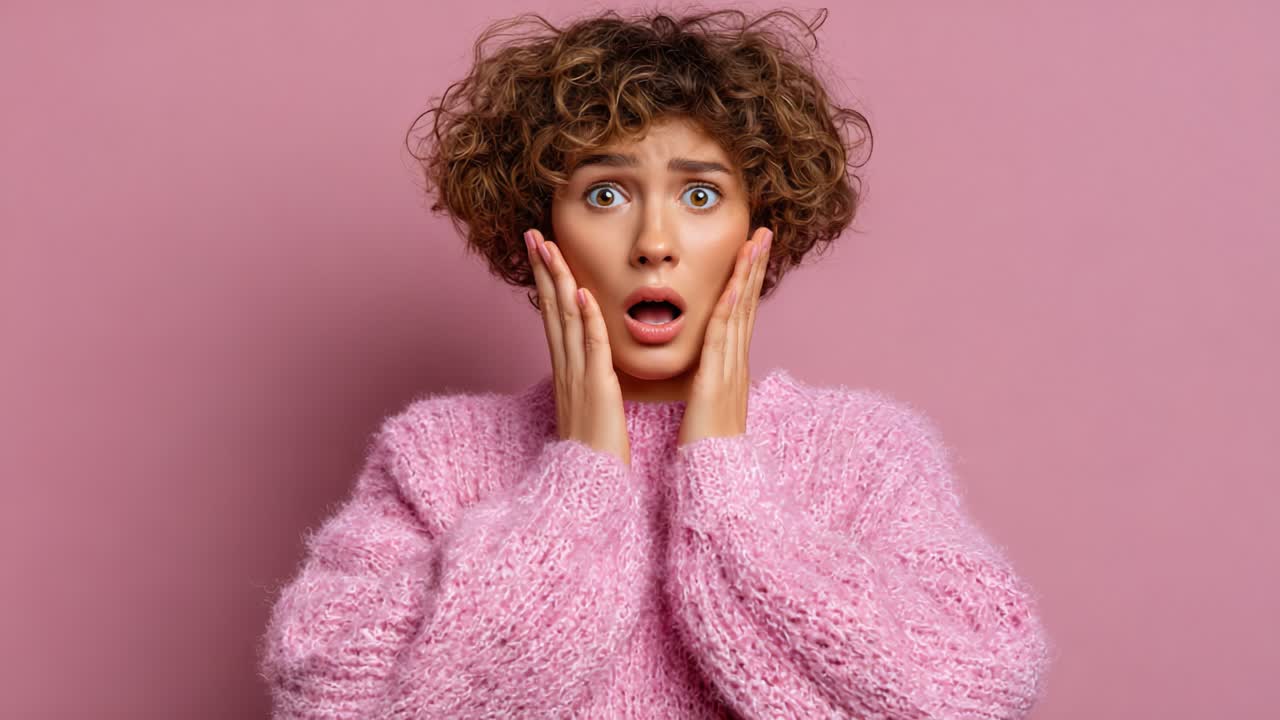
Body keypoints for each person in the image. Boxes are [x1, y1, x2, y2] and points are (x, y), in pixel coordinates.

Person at [257, 8, 1053, 719]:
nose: (654, 241)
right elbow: (331, 698)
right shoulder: (434, 455)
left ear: (759, 225)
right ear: (541, 228)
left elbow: (975, 693)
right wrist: (580, 481)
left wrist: (724, 483)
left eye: (700, 196)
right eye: (606, 195)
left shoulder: (868, 453)